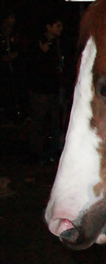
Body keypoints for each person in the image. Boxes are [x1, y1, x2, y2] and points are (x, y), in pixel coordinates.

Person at [26, 16, 66, 164]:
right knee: (39, 121)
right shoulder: (39, 42)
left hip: (54, 88)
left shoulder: (59, 43)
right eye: (57, 25)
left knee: (55, 122)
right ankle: (36, 152)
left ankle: (53, 150)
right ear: (49, 27)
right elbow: (33, 64)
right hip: (41, 88)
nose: (60, 29)